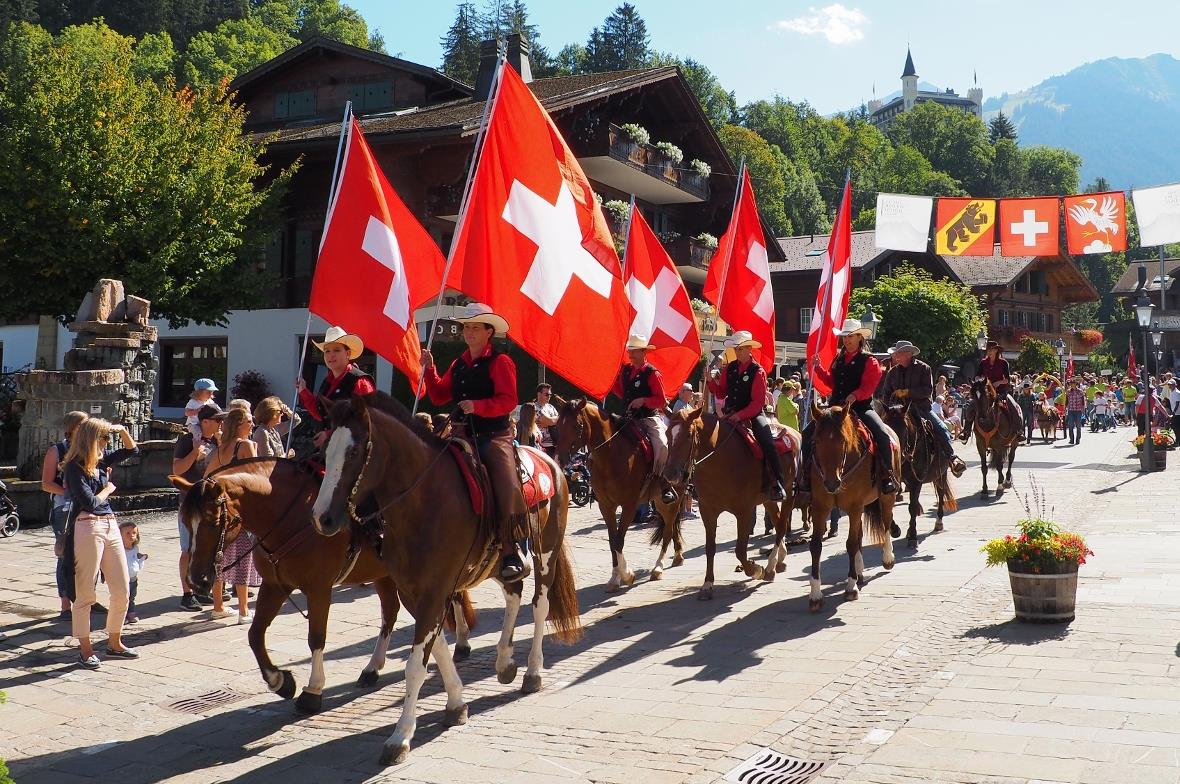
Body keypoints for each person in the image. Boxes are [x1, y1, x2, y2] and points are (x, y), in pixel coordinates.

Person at [421, 303, 530, 582]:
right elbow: (438, 396)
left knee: (504, 481)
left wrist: (477, 406)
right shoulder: (459, 363)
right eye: (466, 327)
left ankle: (510, 549)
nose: (468, 332)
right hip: (461, 434)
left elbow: (509, 401)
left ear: (488, 332)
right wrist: (431, 370)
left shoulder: (501, 362)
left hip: (494, 435)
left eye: (475, 327)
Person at [64, 418, 140, 668]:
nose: (107, 444)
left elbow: (132, 450)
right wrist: (107, 489)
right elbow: (89, 503)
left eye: (107, 439)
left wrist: (122, 431)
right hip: (87, 526)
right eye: (103, 439)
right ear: (91, 440)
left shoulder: (102, 462)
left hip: (109, 524)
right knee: (85, 591)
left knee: (122, 588)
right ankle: (85, 649)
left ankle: (115, 642)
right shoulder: (74, 467)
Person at [802, 319, 898, 499]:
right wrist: (819, 368)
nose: (847, 340)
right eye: (844, 336)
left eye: (851, 336)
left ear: (859, 337)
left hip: (861, 408)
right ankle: (805, 477)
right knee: (807, 434)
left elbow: (870, 386)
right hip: (835, 409)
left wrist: (855, 395)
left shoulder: (869, 360)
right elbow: (832, 382)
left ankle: (887, 477)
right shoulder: (838, 359)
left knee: (882, 435)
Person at [707, 331, 788, 501]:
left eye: (741, 348)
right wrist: (710, 382)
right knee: (707, 438)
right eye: (736, 348)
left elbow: (757, 402)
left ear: (749, 348)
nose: (737, 351)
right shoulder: (729, 368)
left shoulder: (757, 371)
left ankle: (777, 483)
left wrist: (741, 415)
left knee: (767, 442)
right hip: (730, 413)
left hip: (752, 414)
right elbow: (721, 393)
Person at [877, 340, 967, 477]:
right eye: (895, 353)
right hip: (897, 412)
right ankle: (881, 467)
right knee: (879, 431)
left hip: (921, 409)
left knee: (941, 429)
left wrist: (907, 392)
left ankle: (952, 458)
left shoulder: (924, 368)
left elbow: (927, 391)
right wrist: (890, 407)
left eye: (897, 353)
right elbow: (886, 394)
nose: (894, 356)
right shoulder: (892, 373)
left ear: (908, 353)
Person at [204, 407, 259, 622]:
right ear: (238, 424)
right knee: (242, 557)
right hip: (241, 509)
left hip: (222, 510)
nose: (252, 424)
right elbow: (256, 475)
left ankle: (218, 606)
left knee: (220, 557)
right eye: (248, 421)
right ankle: (244, 610)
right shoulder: (244, 445)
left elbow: (207, 477)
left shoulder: (221, 448)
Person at [611, 335, 675, 504]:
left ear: (643, 352)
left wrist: (643, 401)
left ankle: (664, 483)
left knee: (662, 444)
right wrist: (612, 382)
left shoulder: (652, 373)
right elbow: (622, 393)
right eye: (629, 350)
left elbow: (661, 401)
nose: (630, 354)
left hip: (647, 418)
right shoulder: (625, 370)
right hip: (627, 418)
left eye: (634, 351)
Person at [172, 404, 223, 611]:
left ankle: (202, 589)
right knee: (187, 550)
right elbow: (176, 470)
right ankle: (187, 594)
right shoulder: (187, 440)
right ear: (205, 422)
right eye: (217, 420)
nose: (221, 424)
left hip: (210, 504)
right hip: (190, 503)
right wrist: (195, 452)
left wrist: (221, 445)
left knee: (207, 549)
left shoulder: (218, 442)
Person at [42, 410, 90, 616]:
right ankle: (65, 603)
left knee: (89, 556)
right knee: (65, 555)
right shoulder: (57, 450)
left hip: (89, 507)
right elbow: (46, 484)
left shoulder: (91, 449)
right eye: (85, 424)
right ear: (74, 427)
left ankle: (87, 599)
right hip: (65, 508)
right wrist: (71, 492)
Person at [296, 326, 376, 448]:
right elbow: (320, 413)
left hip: (355, 453)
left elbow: (364, 421)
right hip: (331, 449)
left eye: (337, 350)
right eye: (327, 351)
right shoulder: (327, 381)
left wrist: (328, 434)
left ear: (348, 354)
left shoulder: (360, 382)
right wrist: (303, 390)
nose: (331, 355)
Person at [961, 340, 1022, 441]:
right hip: (985, 391)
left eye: (991, 349)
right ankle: (966, 432)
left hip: (1000, 391)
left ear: (996, 350)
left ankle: (1018, 431)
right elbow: (977, 375)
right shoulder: (983, 362)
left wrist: (998, 382)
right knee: (972, 405)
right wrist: (977, 380)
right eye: (988, 350)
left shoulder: (1003, 363)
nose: (989, 352)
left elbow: (1007, 379)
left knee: (1012, 405)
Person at [119, 521, 147, 624]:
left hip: (133, 577)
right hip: (121, 578)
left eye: (134, 533)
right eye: (128, 533)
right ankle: (122, 615)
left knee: (132, 596)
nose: (131, 535)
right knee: (122, 597)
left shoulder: (135, 548)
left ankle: (131, 613)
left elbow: (135, 555)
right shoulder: (119, 549)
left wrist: (141, 556)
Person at [533, 384, 560, 456]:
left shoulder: (551, 407)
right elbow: (551, 421)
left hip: (555, 444)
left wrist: (549, 423)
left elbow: (559, 421)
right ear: (539, 394)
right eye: (546, 394)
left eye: (550, 394)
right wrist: (551, 422)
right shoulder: (534, 408)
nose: (549, 396)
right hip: (541, 446)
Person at [1065, 378, 1086, 445]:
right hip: (1071, 410)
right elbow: (1067, 400)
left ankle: (1078, 439)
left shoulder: (1080, 391)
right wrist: (1065, 407)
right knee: (1070, 425)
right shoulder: (1068, 391)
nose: (1072, 385)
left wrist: (1083, 409)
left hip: (1078, 410)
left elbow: (1083, 400)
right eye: (1071, 383)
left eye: (1073, 383)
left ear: (1076, 384)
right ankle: (1071, 439)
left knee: (1078, 426)